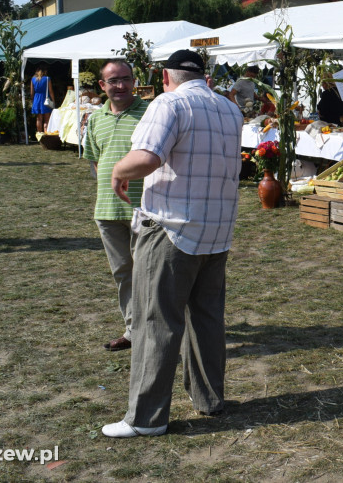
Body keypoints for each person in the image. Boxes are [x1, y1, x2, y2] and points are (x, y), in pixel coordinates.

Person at [102, 49, 243, 438]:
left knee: (156, 321)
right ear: (206, 77)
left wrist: (117, 169)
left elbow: (147, 157)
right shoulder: (230, 111)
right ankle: (209, 398)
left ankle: (146, 418)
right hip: (216, 228)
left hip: (171, 228)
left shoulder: (169, 103)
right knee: (207, 318)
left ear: (166, 77)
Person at [83, 60, 149, 353]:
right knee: (123, 271)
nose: (120, 86)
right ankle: (134, 330)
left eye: (125, 79)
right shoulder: (96, 119)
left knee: (152, 272)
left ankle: (160, 328)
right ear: (102, 86)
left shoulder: (150, 114)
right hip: (108, 210)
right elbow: (97, 162)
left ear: (135, 81)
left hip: (147, 207)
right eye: (113, 81)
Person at [30, 66, 56, 134]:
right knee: (47, 119)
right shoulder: (47, 79)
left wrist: (33, 100)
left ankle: (39, 134)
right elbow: (51, 91)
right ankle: (46, 134)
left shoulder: (33, 79)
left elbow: (32, 93)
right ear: (45, 71)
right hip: (45, 99)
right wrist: (53, 101)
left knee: (39, 119)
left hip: (36, 99)